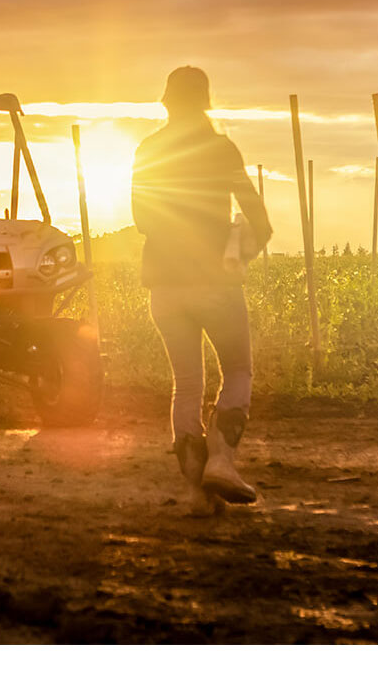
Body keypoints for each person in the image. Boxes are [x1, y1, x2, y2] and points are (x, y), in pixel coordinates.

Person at [131, 67, 272, 516]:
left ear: (167, 102)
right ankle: (223, 463)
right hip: (214, 279)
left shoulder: (148, 150)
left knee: (186, 385)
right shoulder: (221, 148)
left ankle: (197, 492)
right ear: (205, 102)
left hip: (164, 286)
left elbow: (141, 220)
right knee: (238, 370)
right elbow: (259, 218)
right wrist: (241, 248)